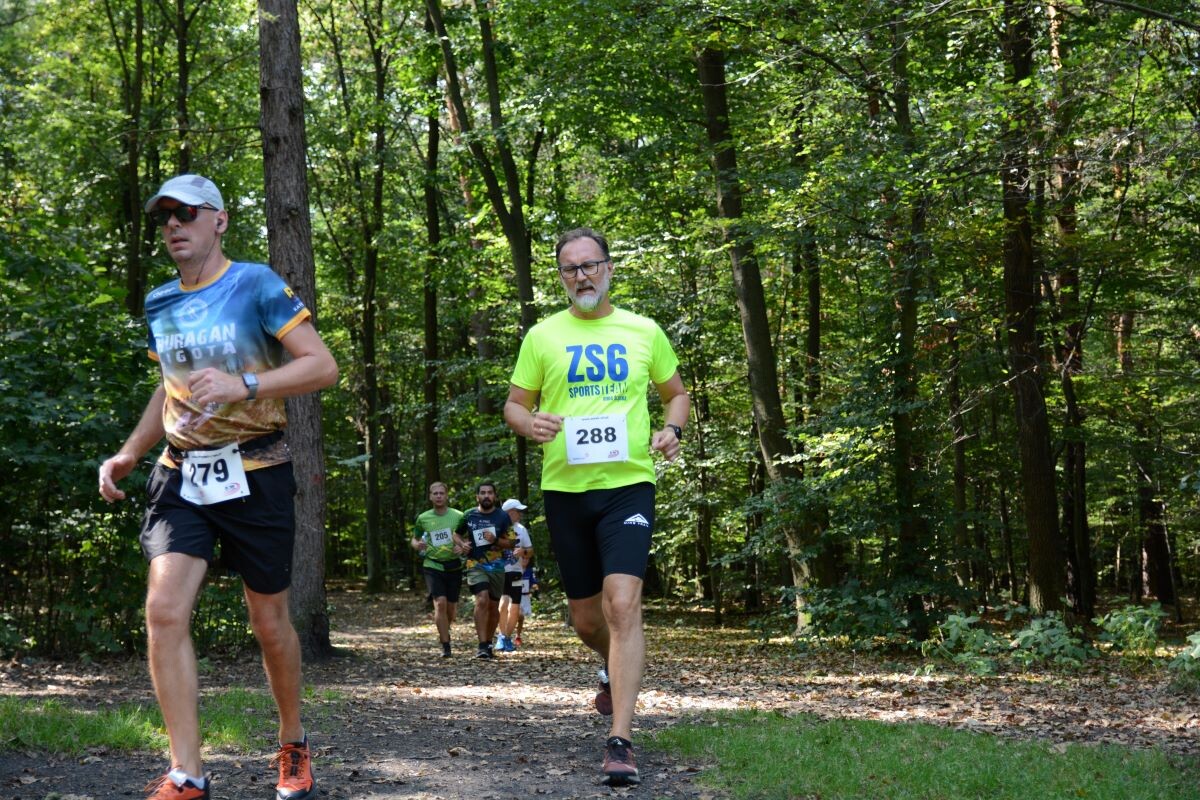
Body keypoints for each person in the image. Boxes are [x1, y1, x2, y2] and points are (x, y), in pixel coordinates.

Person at [97, 174, 338, 800]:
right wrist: (130, 452)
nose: (173, 226)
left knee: (269, 621)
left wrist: (245, 386)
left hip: (257, 470)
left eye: (186, 214)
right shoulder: (159, 302)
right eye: (163, 218)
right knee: (164, 609)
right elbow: (170, 387)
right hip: (183, 473)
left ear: (219, 220)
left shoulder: (255, 283)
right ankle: (188, 772)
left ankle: (292, 742)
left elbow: (322, 365)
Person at [503, 227, 689, 787]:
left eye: (590, 265)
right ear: (560, 278)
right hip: (566, 489)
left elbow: (675, 394)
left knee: (623, 604)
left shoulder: (643, 331)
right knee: (587, 618)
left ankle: (621, 740)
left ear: (609, 268)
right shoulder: (542, 336)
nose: (581, 275)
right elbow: (515, 405)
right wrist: (529, 423)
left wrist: (671, 429)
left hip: (629, 485)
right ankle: (613, 669)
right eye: (569, 269)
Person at [453, 481, 513, 659]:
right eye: (483, 493)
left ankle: (488, 643)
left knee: (494, 606)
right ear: (477, 496)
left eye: (490, 493)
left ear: (495, 496)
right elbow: (456, 534)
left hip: (497, 567)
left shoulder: (503, 517)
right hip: (475, 564)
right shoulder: (469, 515)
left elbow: (511, 542)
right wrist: (462, 544)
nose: (486, 496)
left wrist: (495, 540)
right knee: (482, 599)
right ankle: (481, 645)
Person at [411, 481, 466, 657]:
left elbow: (469, 539)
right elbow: (414, 539)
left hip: (454, 566)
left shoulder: (459, 516)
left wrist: (463, 546)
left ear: (447, 495)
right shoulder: (423, 518)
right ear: (430, 496)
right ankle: (446, 645)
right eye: (435, 493)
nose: (439, 496)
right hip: (432, 565)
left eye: (442, 493)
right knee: (440, 603)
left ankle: (445, 629)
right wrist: (417, 545)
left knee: (451, 608)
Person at [495, 498, 534, 652]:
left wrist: (523, 552)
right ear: (510, 513)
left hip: (516, 572)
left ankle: (506, 638)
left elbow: (530, 550)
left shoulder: (521, 529)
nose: (520, 514)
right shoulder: (496, 527)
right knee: (503, 603)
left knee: (515, 607)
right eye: (518, 511)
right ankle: (501, 635)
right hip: (499, 571)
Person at [515, 558, 539, 647]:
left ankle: (518, 636)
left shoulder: (529, 571)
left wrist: (534, 586)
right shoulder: (514, 569)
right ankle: (506, 635)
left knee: (521, 618)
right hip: (515, 596)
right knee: (519, 615)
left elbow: (533, 582)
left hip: (525, 596)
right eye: (522, 559)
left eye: (526, 560)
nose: (525, 561)